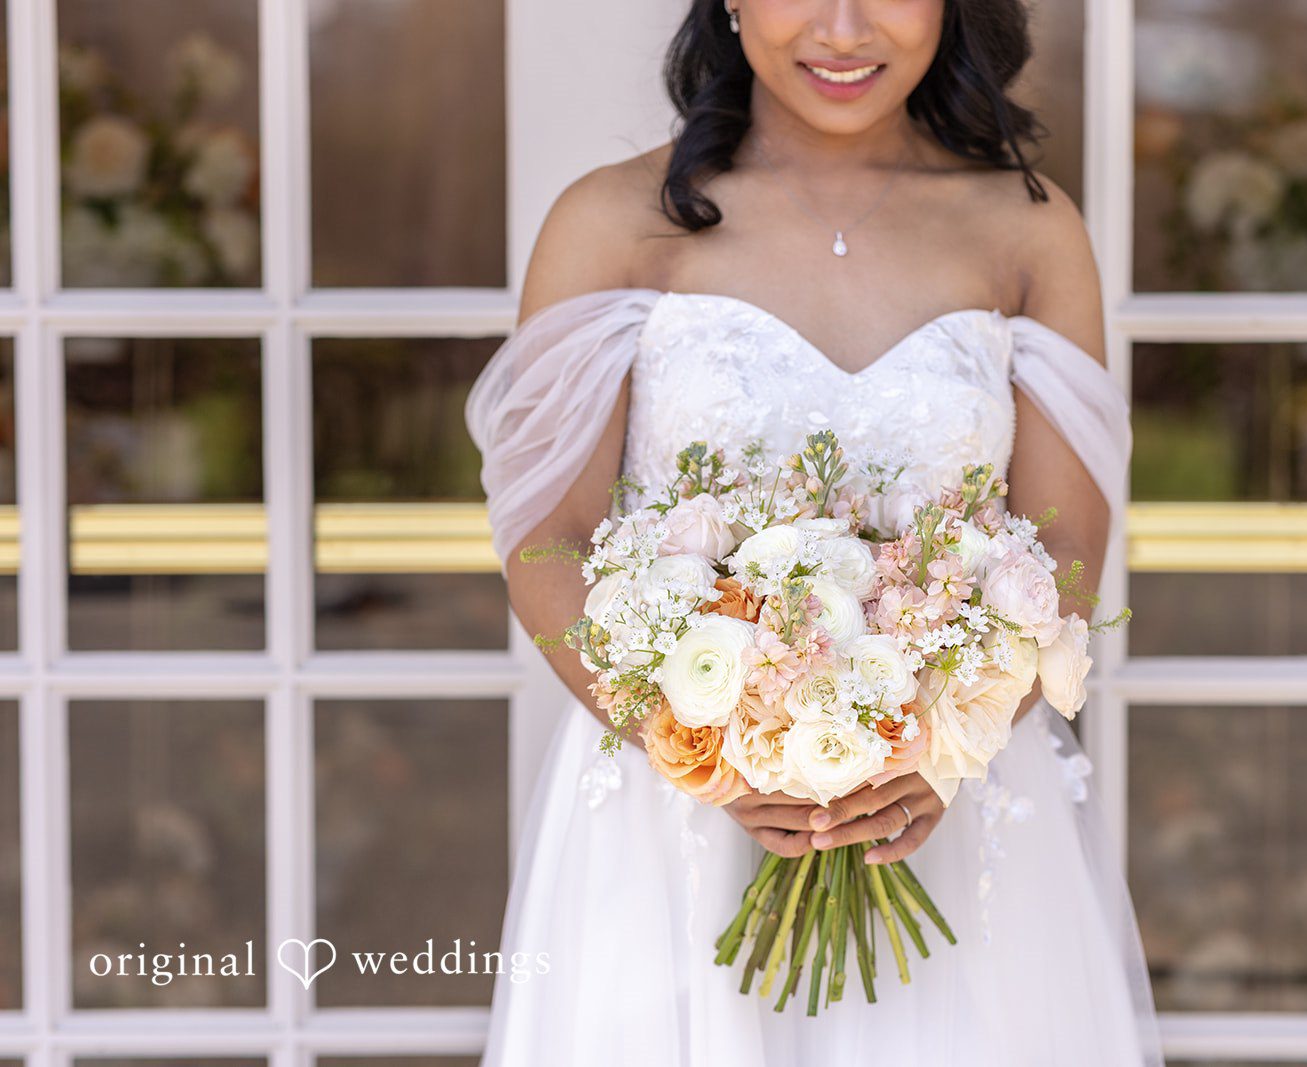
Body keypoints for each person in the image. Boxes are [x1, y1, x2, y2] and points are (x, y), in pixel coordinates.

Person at [465, 1, 1164, 1063]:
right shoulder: (611, 222)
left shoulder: (1029, 228)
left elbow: (1063, 550)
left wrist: (941, 747)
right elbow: (547, 535)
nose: (842, 28)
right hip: (678, 815)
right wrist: (698, 743)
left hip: (944, 807)